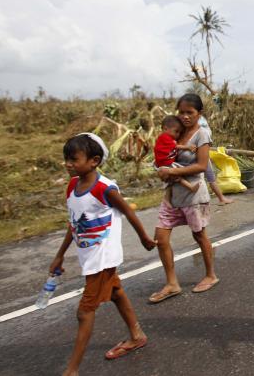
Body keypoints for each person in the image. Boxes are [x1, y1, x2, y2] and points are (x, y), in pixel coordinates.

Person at [50, 133, 156, 376]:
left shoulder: (104, 188)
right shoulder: (72, 186)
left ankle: (72, 370)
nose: (68, 164)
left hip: (102, 259)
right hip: (90, 256)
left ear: (94, 161)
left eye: (73, 159)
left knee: (84, 311)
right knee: (116, 292)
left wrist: (144, 238)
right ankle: (136, 335)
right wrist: (59, 255)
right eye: (66, 159)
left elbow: (129, 212)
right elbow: (74, 223)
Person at [149, 94, 219, 303]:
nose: (185, 116)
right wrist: (160, 169)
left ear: (200, 113)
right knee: (161, 238)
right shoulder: (174, 132)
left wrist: (172, 173)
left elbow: (201, 165)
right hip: (172, 195)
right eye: (182, 112)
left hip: (194, 195)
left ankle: (210, 275)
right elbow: (162, 156)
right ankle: (172, 283)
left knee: (199, 236)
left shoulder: (202, 135)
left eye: (190, 112)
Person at [153, 115, 200, 205]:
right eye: (176, 131)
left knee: (173, 180)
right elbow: (175, 146)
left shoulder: (168, 138)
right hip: (165, 164)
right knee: (180, 173)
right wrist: (188, 147)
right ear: (166, 128)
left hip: (165, 163)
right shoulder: (164, 137)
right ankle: (190, 187)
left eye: (179, 132)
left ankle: (167, 199)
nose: (177, 134)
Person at [198, 115, 234, 205]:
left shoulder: (201, 119)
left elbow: (207, 133)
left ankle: (221, 198)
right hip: (197, 153)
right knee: (200, 178)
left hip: (204, 152)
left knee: (210, 177)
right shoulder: (191, 121)